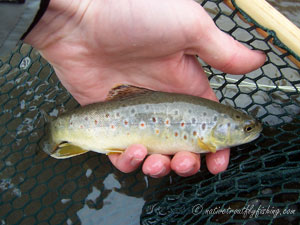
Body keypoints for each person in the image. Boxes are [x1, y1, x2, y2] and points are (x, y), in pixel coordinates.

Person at [0, 0, 265, 178]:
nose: (250, 130)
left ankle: (61, 131)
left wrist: (63, 18)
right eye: (246, 128)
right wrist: (66, 18)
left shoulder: (208, 130)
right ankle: (59, 130)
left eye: (246, 128)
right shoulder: (204, 138)